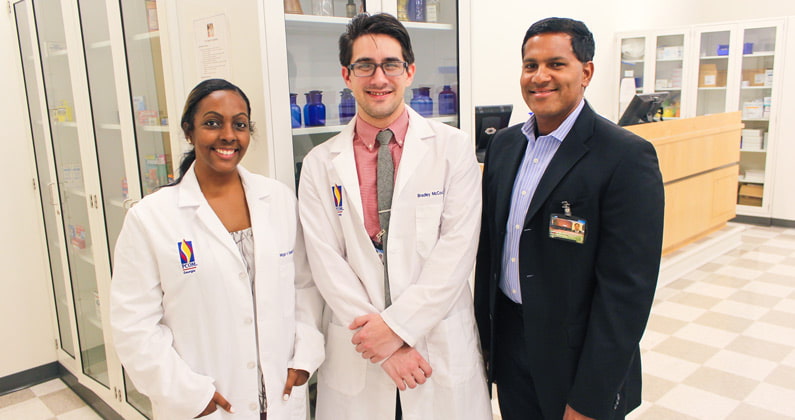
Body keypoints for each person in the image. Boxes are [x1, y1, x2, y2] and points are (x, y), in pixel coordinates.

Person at [297, 13, 491, 420]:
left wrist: (397, 332)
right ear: (347, 75)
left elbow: (456, 253)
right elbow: (327, 264)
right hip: (361, 353)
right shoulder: (319, 163)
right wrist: (385, 348)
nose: (378, 77)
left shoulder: (452, 148)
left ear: (409, 71)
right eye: (365, 65)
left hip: (435, 344)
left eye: (391, 64)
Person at [474, 17, 665, 420]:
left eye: (556, 64)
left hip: (578, 361)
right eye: (530, 65)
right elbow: (489, 252)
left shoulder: (625, 157)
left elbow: (626, 294)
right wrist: (485, 342)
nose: (540, 77)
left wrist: (590, 399)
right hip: (510, 348)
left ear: (586, 72)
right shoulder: (505, 146)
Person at [110, 79, 324, 420]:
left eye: (239, 124)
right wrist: (190, 395)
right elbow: (134, 326)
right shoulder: (150, 218)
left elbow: (304, 285)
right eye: (212, 123)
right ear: (188, 132)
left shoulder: (278, 199)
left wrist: (305, 357)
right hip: (210, 402)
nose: (228, 135)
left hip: (283, 395)